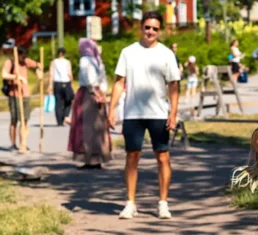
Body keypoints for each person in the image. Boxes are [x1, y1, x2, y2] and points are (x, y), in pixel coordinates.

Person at [107, 11, 180, 219]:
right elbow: (119, 83)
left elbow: (173, 85)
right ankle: (130, 203)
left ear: (160, 31)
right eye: (147, 27)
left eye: (155, 29)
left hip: (158, 113)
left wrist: (173, 113)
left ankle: (163, 203)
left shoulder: (166, 54)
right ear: (142, 27)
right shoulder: (128, 52)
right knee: (132, 156)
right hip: (133, 113)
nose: (150, 32)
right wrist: (111, 110)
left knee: (162, 157)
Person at [67, 38, 111, 168]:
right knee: (98, 127)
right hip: (99, 93)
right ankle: (98, 158)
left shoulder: (85, 60)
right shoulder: (98, 60)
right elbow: (103, 78)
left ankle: (89, 159)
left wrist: (94, 92)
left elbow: (89, 79)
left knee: (86, 127)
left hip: (88, 94)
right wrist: (102, 92)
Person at [1, 45, 42, 150]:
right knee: (14, 120)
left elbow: (38, 64)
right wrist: (17, 77)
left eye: (25, 57)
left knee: (24, 120)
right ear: (17, 55)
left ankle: (22, 143)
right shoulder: (10, 62)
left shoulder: (25, 61)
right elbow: (4, 74)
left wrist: (38, 69)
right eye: (22, 57)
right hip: (14, 94)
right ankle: (13, 143)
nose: (24, 59)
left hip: (25, 95)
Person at [50, 47, 74, 127]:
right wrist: (72, 82)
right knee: (68, 100)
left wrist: (50, 85)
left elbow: (51, 74)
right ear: (64, 53)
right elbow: (69, 73)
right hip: (66, 82)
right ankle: (65, 115)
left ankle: (59, 121)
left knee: (58, 102)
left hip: (57, 83)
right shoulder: (67, 62)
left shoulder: (53, 62)